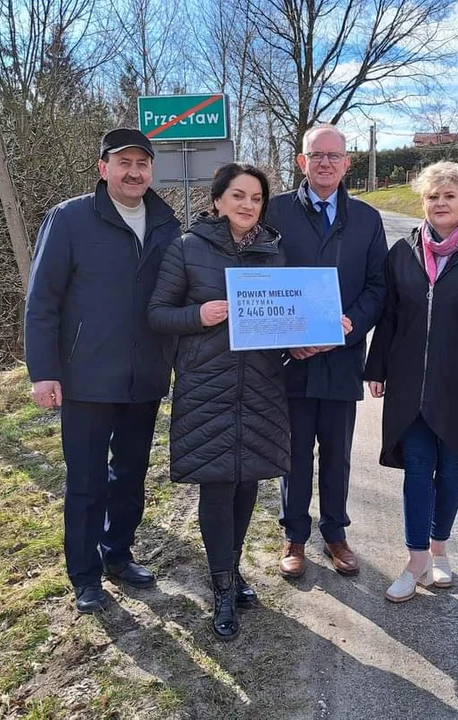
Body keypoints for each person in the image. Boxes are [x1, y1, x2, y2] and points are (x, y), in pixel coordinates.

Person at [25, 128, 181, 614]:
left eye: (142, 164)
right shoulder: (70, 219)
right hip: (85, 376)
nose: (134, 172)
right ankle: (85, 576)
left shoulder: (165, 223)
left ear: (151, 170)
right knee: (87, 481)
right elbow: (42, 301)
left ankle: (118, 554)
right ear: (104, 168)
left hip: (144, 375)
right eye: (123, 163)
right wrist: (43, 371)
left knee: (131, 474)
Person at [147, 163, 291, 641]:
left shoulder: (274, 253)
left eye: (256, 198)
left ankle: (232, 569)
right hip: (207, 385)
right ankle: (222, 587)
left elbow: (284, 318)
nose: (248, 205)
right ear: (217, 201)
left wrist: (308, 336)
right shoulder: (188, 248)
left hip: (261, 386)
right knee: (216, 483)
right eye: (238, 195)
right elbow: (158, 314)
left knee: (248, 479)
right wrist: (199, 314)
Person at [363, 161, 458, 602]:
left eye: (450, 195)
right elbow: (389, 316)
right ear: (422, 203)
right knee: (415, 471)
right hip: (410, 384)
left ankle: (440, 551)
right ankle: (415, 560)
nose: (441, 203)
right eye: (433, 196)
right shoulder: (402, 252)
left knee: (450, 471)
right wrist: (377, 368)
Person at [265, 124, 389, 578]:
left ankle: (335, 533)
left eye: (334, 156)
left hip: (341, 359)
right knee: (294, 453)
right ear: (302, 161)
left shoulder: (367, 219)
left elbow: (379, 286)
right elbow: (260, 284)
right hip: (290, 360)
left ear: (347, 162)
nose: (325, 163)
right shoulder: (274, 213)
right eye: (316, 155)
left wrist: (350, 324)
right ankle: (294, 536)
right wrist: (287, 337)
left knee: (337, 453)